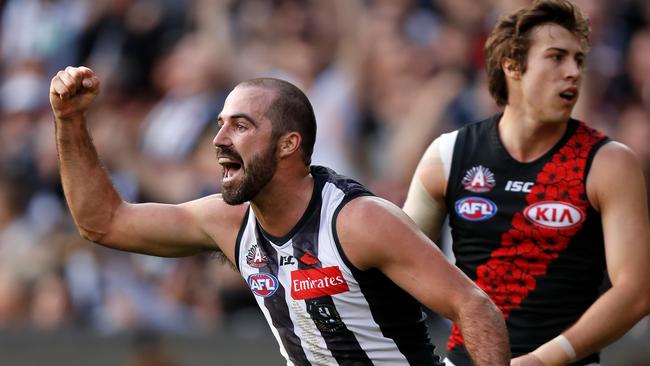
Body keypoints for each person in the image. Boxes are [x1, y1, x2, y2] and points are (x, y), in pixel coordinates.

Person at [49, 66, 510, 365]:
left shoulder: (359, 221)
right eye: (220, 124)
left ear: (289, 144)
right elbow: (103, 222)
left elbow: (476, 308)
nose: (219, 139)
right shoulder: (227, 222)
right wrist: (69, 120)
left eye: (241, 126)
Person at [403, 1, 650, 366]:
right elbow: (398, 266)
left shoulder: (609, 162)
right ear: (513, 66)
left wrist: (545, 359)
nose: (573, 72)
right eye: (556, 57)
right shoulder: (449, 154)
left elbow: (637, 292)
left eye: (578, 60)